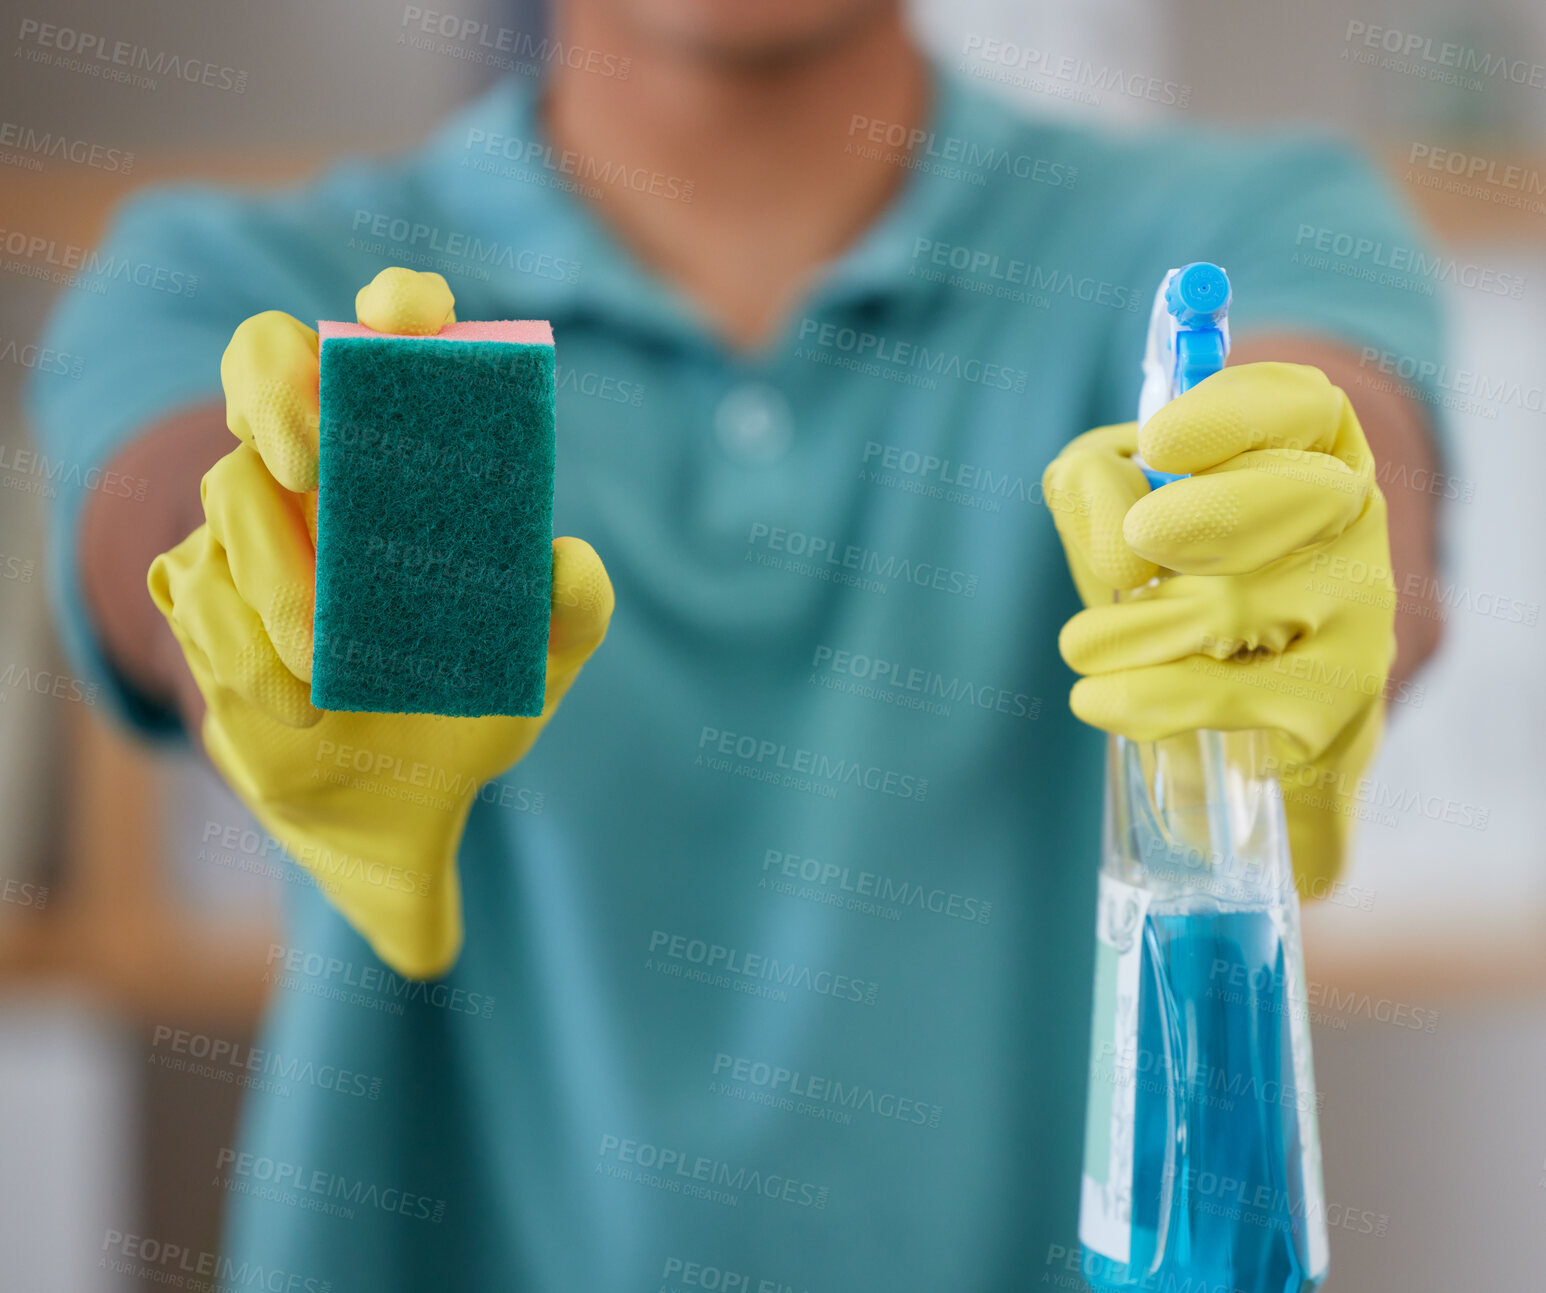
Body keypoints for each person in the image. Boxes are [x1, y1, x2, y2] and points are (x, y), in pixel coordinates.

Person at [30, 0, 1445, 1287]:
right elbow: (156, 510)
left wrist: (1297, 551)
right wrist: (261, 593)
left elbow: (1334, 420)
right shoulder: (228, 272)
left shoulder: (1243, 220)